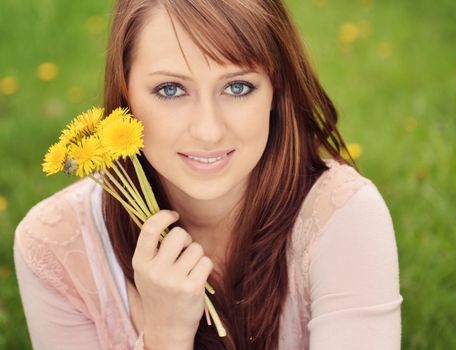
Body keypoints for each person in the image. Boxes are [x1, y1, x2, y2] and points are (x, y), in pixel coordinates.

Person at [13, 0, 403, 349]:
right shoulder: (56, 246)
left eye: (237, 87)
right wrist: (164, 337)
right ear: (125, 94)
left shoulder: (342, 218)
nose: (208, 130)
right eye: (170, 90)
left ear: (276, 90)